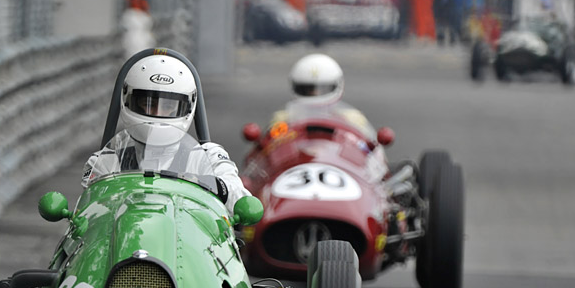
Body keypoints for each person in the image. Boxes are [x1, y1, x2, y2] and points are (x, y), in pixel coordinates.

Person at [82, 53, 251, 216]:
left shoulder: (207, 156)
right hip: (124, 239)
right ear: (128, 100)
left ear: (188, 106)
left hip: (189, 240)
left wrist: (207, 184)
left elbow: (241, 200)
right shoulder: (107, 160)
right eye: (147, 104)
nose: (157, 113)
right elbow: (90, 217)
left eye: (169, 106)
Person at [267, 54, 387, 184]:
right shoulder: (283, 120)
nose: (315, 94)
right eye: (308, 90)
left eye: (321, 89)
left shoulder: (353, 119)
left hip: (344, 171)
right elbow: (268, 150)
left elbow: (374, 155)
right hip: (293, 169)